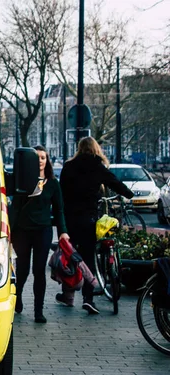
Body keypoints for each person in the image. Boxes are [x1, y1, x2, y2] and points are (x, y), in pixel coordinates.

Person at [58, 136, 134, 314]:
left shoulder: (69, 167)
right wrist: (129, 195)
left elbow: (61, 193)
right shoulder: (97, 166)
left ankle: (68, 295)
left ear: (79, 148)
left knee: (69, 257)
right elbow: (115, 183)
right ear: (96, 149)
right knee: (88, 257)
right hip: (89, 218)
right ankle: (88, 298)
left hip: (70, 219)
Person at [9, 145, 69, 323]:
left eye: (43, 157)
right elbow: (15, 208)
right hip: (22, 231)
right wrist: (9, 233)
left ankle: (38, 311)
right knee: (22, 270)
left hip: (43, 231)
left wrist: (63, 232)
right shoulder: (22, 181)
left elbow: (59, 210)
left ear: (47, 160)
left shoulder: (52, 183)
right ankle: (18, 297)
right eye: (37, 158)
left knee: (39, 271)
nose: (40, 161)